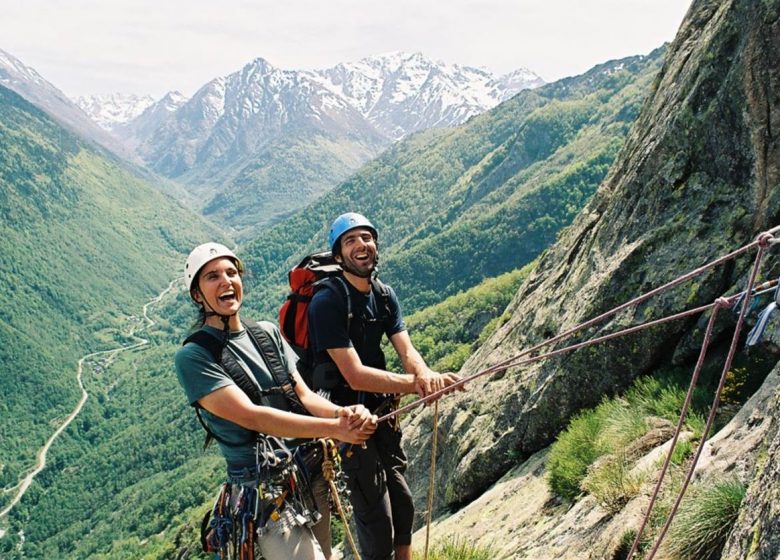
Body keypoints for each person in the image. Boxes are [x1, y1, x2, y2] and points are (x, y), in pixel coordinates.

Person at [174, 242, 376, 560]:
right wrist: (336, 428)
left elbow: (303, 396)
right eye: (212, 277)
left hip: (308, 474)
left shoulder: (266, 333)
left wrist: (346, 414)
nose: (226, 281)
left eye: (231, 273)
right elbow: (253, 416)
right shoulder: (195, 356)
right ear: (197, 295)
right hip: (263, 492)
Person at [308, 213, 463, 560]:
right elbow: (355, 375)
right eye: (350, 241)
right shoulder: (327, 302)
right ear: (338, 256)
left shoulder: (384, 294)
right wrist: (417, 385)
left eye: (366, 237)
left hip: (382, 412)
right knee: (376, 516)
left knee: (403, 503)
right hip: (348, 420)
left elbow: (406, 349)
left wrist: (425, 376)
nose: (361, 245)